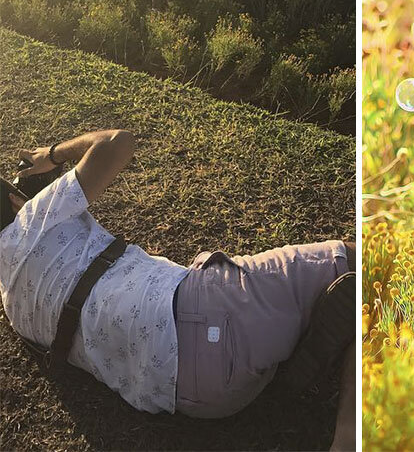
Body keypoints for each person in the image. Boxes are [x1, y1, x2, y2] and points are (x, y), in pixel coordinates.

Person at [0, 130, 356, 449]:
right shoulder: (34, 216)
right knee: (362, 260)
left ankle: (288, 343)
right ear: (17, 198)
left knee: (289, 318)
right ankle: (347, 440)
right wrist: (52, 154)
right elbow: (118, 143)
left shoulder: (11, 306)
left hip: (198, 399)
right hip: (210, 317)